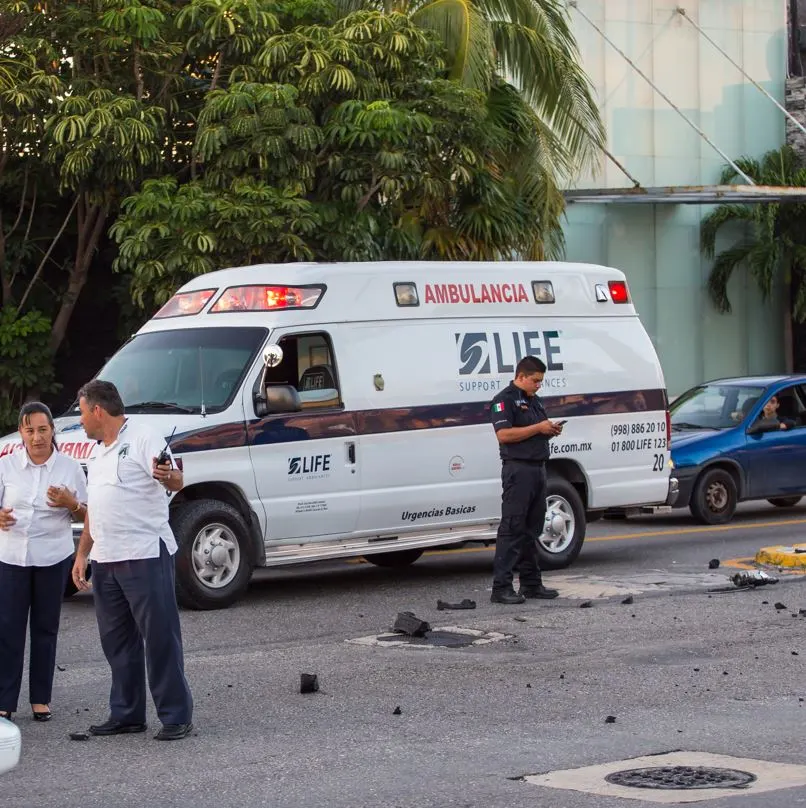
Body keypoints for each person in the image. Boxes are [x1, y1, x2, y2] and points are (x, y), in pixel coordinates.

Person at [71, 380, 194, 741]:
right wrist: (83, 554)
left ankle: (175, 715)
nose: (80, 421)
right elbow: (95, 508)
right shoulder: (96, 453)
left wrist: (168, 475)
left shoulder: (143, 436)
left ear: (97, 410)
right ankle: (126, 714)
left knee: (159, 638)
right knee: (117, 642)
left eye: (81, 413)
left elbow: (175, 479)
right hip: (107, 560)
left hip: (144, 554)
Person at [0, 402, 87, 722]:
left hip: (53, 557)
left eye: (42, 429)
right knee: (8, 629)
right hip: (11, 558)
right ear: (21, 433)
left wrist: (71, 502)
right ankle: (5, 700)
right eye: (29, 430)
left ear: (53, 430)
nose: (36, 437)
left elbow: (91, 515)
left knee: (45, 628)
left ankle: (41, 699)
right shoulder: (6, 466)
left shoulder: (69, 467)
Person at [489, 356, 564, 605]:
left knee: (532, 529)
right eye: (535, 381)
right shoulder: (505, 400)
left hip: (538, 468)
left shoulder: (534, 401)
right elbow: (504, 434)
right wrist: (537, 429)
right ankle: (501, 587)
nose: (538, 385)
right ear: (521, 376)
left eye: (541, 381)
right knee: (512, 528)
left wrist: (549, 431)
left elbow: (533, 432)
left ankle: (531, 583)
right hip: (518, 470)